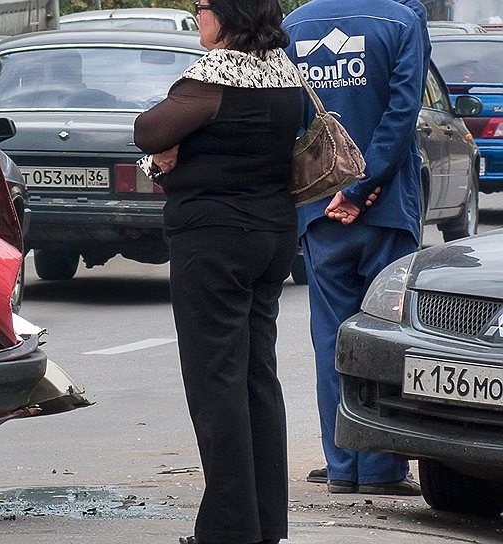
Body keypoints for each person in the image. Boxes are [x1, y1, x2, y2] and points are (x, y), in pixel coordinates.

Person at [133, 0, 301, 542]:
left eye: (202, 6)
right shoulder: (284, 73)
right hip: (272, 237)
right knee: (257, 378)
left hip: (215, 243)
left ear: (226, 15)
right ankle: (264, 524)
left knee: (216, 384)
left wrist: (168, 154)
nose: (196, 14)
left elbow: (146, 131)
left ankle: (229, 530)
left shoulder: (212, 77)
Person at [283, 0, 427, 495]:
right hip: (386, 211)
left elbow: (290, 117)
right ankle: (382, 469)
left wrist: (335, 191)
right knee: (388, 337)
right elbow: (403, 111)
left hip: (320, 210)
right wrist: (366, 186)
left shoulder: (295, 24)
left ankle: (342, 466)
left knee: (332, 340)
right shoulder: (400, 21)